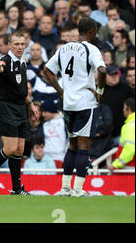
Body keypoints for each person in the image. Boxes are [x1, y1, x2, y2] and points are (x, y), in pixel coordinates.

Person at [43, 17, 107, 197]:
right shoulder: (91, 48)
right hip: (86, 102)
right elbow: (102, 70)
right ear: (92, 32)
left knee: (72, 146)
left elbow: (47, 71)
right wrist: (100, 91)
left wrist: (61, 91)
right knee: (84, 146)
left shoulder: (63, 48)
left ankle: (65, 188)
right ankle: (78, 189)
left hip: (68, 103)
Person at [0, 31, 39, 195]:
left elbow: (21, 89)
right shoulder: (5, 61)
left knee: (20, 150)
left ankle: (16, 189)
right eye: (16, 44)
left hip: (21, 108)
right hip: (6, 108)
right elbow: (0, 69)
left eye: (22, 44)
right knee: (11, 148)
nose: (20, 47)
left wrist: (31, 104)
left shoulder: (23, 63)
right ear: (9, 45)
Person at [109, 98, 135, 170]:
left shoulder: (130, 126)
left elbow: (130, 148)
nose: (123, 110)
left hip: (129, 170)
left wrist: (116, 164)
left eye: (123, 107)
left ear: (128, 108)